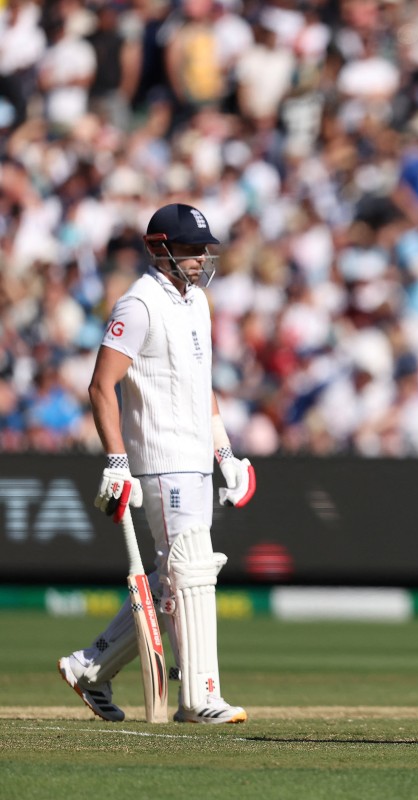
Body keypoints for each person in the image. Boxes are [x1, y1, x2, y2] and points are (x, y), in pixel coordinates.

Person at [58, 203, 256, 724]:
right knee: (190, 572)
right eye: (188, 249)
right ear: (157, 248)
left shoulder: (199, 303)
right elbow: (102, 386)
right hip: (162, 461)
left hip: (196, 459)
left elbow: (202, 385)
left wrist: (226, 454)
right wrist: (117, 461)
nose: (198, 258)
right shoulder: (139, 304)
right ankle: (199, 696)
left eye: (202, 249)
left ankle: (89, 667)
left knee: (173, 583)